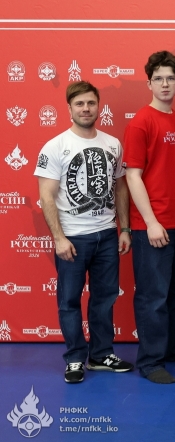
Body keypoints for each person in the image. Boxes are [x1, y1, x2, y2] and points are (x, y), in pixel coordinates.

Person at [35, 81, 134, 384]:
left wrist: (124, 228)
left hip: (106, 235)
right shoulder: (55, 146)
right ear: (69, 108)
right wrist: (59, 238)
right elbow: (46, 196)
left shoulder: (113, 144)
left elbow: (121, 188)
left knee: (104, 299)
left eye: (91, 103)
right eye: (79, 104)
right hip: (73, 238)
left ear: (98, 106)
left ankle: (101, 355)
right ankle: (75, 358)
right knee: (69, 301)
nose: (86, 109)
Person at [124, 50, 175, 384]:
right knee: (152, 296)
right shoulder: (141, 121)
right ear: (149, 84)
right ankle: (151, 361)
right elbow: (133, 176)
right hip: (152, 226)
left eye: (171, 78)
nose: (165, 84)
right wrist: (151, 221)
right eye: (158, 79)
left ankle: (171, 348)